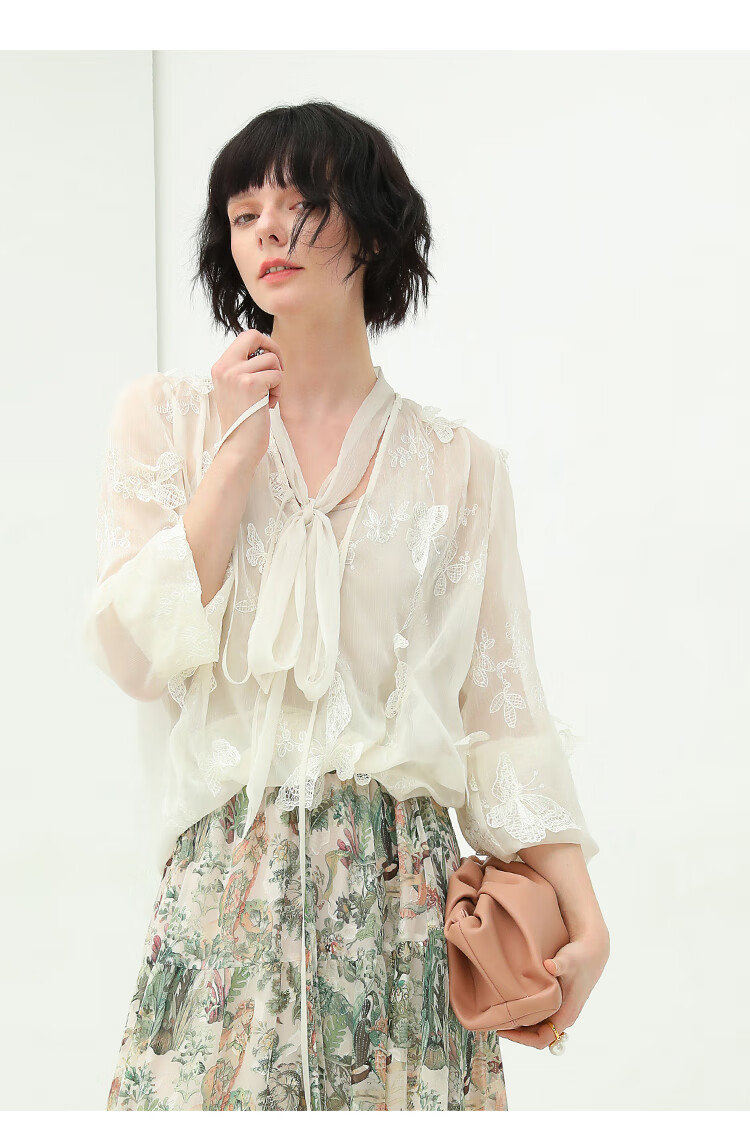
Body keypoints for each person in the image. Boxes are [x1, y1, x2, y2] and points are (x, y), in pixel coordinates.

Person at [83, 99, 609, 1112]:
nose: (267, 232)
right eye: (243, 214)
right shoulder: (167, 421)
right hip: (224, 904)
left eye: (300, 204)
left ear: (370, 228)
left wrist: (587, 919)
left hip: (403, 916)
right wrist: (232, 454)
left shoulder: (460, 469)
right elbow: (136, 659)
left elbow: (502, 717)